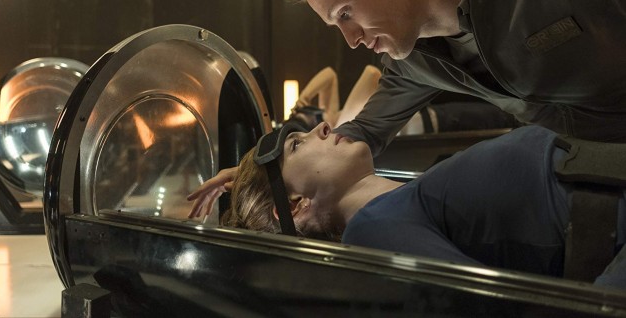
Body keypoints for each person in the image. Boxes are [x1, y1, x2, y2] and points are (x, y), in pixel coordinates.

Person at [285, 0, 626, 157]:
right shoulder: (412, 64)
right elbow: (360, 134)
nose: (352, 40)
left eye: (345, 13)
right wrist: (269, 177)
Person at [189, 121, 626, 288]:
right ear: (298, 205)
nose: (322, 126)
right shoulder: (372, 230)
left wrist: (251, 179)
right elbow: (492, 308)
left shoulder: (401, 200)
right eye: (297, 145)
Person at [291, 65, 521, 133]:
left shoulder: (338, 117)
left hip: (432, 114)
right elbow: (371, 73)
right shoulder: (344, 124)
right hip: (437, 124)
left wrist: (304, 98)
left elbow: (329, 75)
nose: (322, 112)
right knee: (505, 118)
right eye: (316, 117)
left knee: (501, 112)